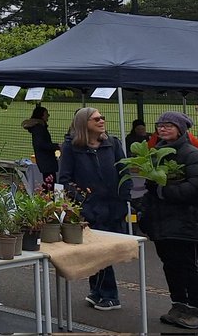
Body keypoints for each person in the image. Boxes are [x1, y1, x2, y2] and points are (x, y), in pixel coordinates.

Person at [138, 110, 198, 329]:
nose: (162, 128)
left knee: (187, 265)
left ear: (181, 129)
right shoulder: (155, 155)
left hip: (186, 221)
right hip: (161, 221)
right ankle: (178, 305)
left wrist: (163, 191)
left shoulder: (193, 154)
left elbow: (197, 188)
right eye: (160, 125)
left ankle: (197, 310)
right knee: (170, 265)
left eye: (169, 125)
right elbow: (150, 188)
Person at [58, 107, 130, 311]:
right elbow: (64, 179)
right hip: (89, 209)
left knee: (105, 251)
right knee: (96, 252)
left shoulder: (113, 143)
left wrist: (124, 197)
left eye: (102, 117)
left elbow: (124, 172)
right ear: (84, 123)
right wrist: (82, 200)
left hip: (113, 207)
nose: (101, 121)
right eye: (96, 118)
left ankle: (106, 293)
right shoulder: (71, 148)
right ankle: (103, 292)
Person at [22, 104, 59, 189]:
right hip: (46, 160)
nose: (48, 116)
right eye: (47, 114)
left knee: (49, 182)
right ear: (42, 115)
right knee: (50, 183)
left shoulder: (39, 127)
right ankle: (49, 199)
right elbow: (42, 144)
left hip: (45, 159)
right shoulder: (39, 128)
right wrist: (57, 146)